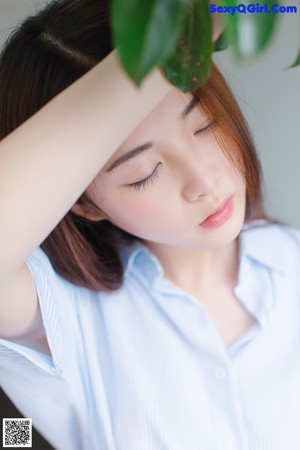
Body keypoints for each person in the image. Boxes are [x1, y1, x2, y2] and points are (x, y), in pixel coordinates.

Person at [0, 1, 300, 449]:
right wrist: (167, 42)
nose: (204, 181)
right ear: (83, 204)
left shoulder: (291, 258)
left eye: (206, 125)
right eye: (145, 173)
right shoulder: (67, 320)